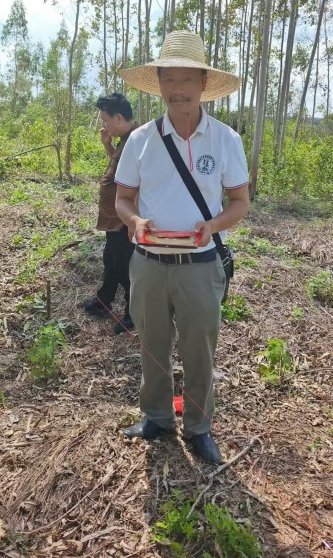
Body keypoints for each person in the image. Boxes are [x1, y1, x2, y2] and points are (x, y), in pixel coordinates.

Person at [115, 31, 249, 464]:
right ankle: (156, 417)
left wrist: (212, 225)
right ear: (159, 85)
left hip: (200, 264)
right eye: (169, 80)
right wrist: (134, 221)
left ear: (204, 85)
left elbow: (240, 202)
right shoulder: (140, 141)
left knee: (199, 347)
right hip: (149, 263)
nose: (178, 89)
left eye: (187, 80)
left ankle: (199, 427)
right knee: (151, 342)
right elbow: (122, 199)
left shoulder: (226, 140)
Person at [83, 92, 137, 334]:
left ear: (117, 118)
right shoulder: (125, 141)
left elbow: (136, 183)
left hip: (125, 220)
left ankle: (132, 314)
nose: (104, 125)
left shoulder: (136, 141)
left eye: (105, 120)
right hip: (114, 218)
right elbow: (121, 171)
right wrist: (108, 146)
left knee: (125, 266)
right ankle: (105, 301)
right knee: (112, 260)